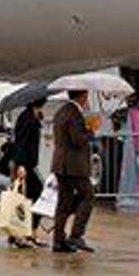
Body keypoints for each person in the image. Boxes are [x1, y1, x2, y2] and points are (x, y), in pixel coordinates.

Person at [51, 89, 97, 254]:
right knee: (88, 195)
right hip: (74, 166)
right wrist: (90, 132)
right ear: (83, 96)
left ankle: (58, 240)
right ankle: (76, 235)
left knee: (63, 203)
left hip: (61, 165)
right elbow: (77, 139)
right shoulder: (74, 113)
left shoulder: (61, 111)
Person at [8, 98, 47, 248]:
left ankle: (24, 234)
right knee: (33, 196)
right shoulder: (27, 118)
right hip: (24, 165)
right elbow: (22, 142)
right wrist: (22, 165)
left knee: (25, 198)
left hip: (26, 164)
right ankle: (26, 233)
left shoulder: (30, 116)